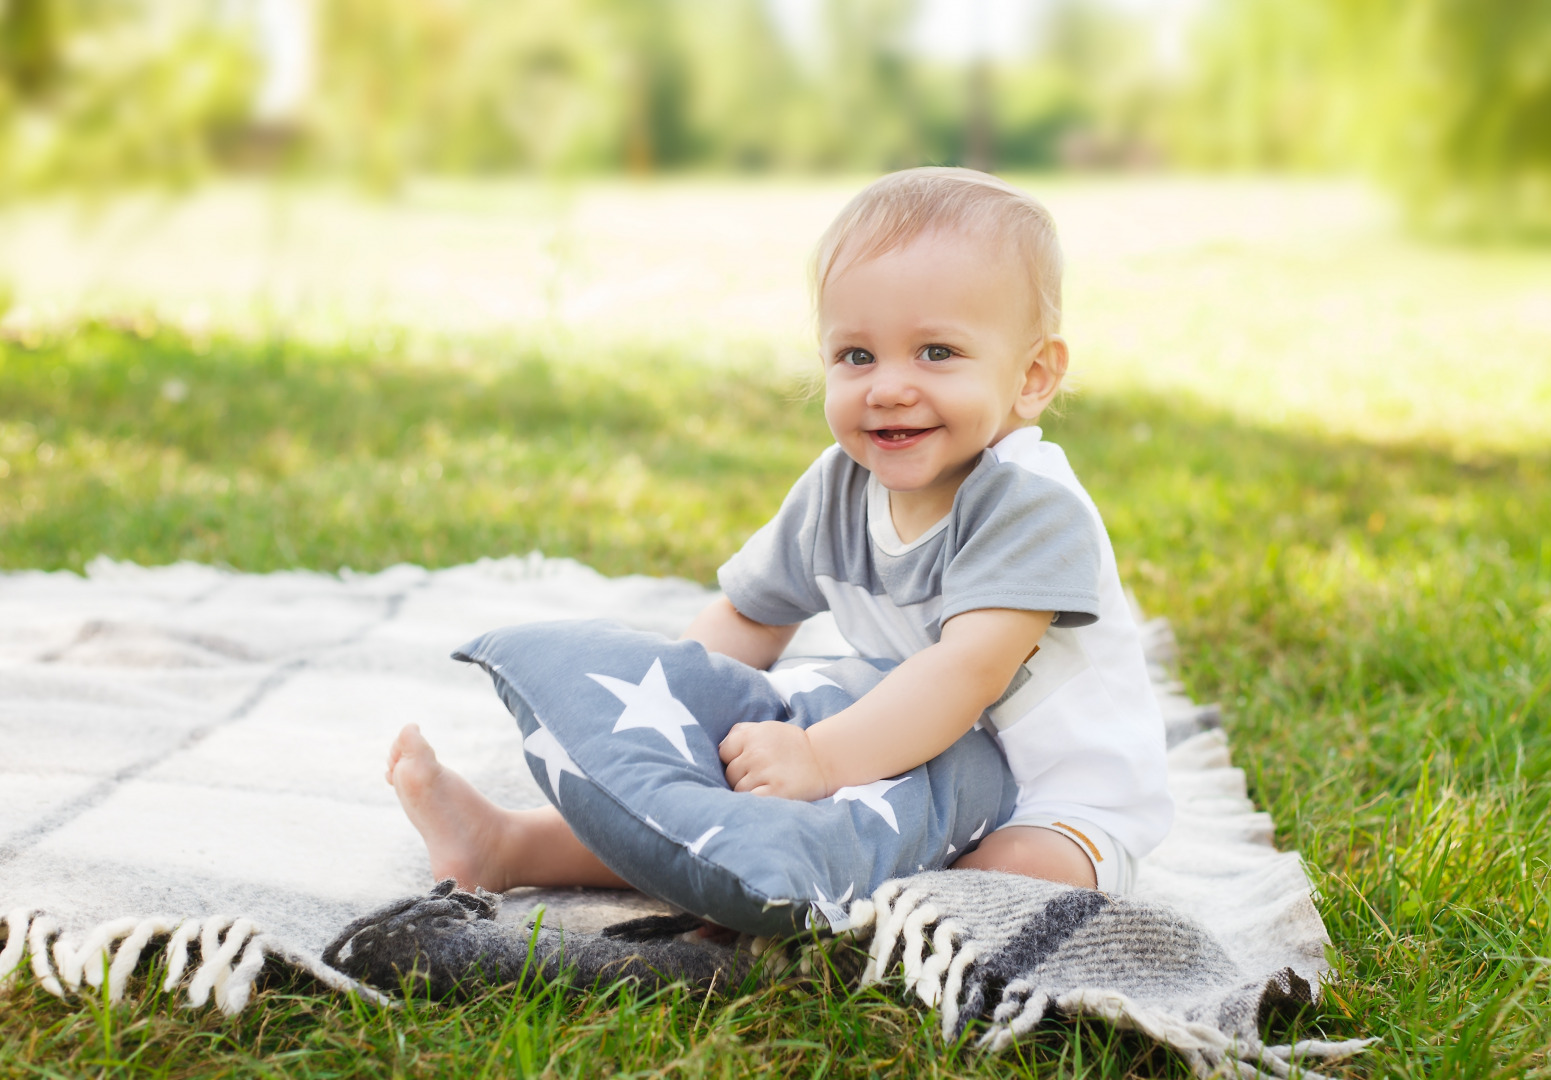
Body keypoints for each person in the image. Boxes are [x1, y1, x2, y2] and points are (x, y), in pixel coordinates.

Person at [387, 167, 1173, 898]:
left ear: (1032, 377)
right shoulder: (837, 488)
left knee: (1000, 877)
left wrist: (821, 760)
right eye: (855, 355)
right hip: (902, 753)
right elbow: (748, 616)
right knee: (735, 805)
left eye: (937, 353)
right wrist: (687, 726)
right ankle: (509, 847)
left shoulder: (1030, 507)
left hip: (1052, 798)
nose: (890, 387)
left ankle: (841, 899)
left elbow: (965, 673)